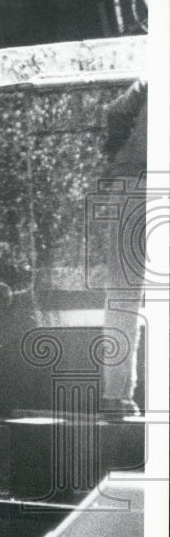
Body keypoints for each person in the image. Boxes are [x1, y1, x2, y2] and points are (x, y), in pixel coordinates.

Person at [97, 77, 147, 415]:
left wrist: (118, 152)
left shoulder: (153, 78)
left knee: (123, 294)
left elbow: (115, 110)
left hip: (130, 183)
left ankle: (117, 397)